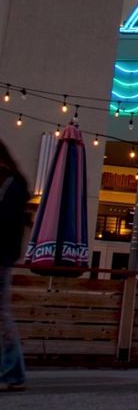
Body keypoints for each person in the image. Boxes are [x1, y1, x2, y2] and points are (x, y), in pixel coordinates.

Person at [0, 140, 30, 391]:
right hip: (4, 255)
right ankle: (13, 371)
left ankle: (13, 371)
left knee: (1, 315)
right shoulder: (11, 183)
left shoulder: (10, 185)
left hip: (1, 255)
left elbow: (6, 222)